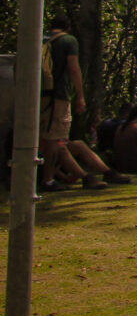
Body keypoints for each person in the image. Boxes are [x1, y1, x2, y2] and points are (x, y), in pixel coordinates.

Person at [39, 16, 86, 189]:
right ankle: (48, 179)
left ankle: (28, 176)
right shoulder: (68, 40)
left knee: (36, 135)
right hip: (57, 95)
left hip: (34, 95)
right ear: (68, 27)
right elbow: (74, 68)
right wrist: (80, 96)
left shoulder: (39, 38)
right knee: (54, 138)